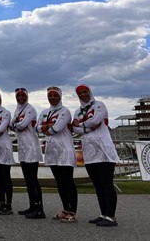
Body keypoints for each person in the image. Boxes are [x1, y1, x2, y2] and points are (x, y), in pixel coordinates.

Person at [72, 84, 119, 227]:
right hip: (90, 152)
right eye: (80, 93)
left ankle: (111, 216)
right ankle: (103, 213)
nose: (82, 95)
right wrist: (86, 127)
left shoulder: (99, 105)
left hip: (103, 150)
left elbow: (96, 120)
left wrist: (81, 125)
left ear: (90, 92)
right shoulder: (77, 111)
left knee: (107, 184)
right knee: (98, 185)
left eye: (85, 92)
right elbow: (75, 130)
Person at [38, 86, 77, 223]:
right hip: (52, 151)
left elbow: (57, 128)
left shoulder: (65, 111)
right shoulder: (44, 112)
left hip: (64, 151)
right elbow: (37, 128)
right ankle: (65, 209)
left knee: (68, 182)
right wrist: (48, 126)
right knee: (60, 183)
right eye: (50, 96)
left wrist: (46, 127)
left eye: (55, 95)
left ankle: (73, 212)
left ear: (60, 96)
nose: (52, 98)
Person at [10, 87, 44, 219]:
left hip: (31, 146)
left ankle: (39, 208)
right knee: (27, 179)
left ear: (27, 96)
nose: (20, 98)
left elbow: (20, 125)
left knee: (33, 179)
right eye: (18, 96)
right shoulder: (18, 110)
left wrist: (15, 124)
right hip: (23, 146)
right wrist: (15, 124)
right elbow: (12, 125)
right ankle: (32, 205)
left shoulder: (30, 109)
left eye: (22, 96)